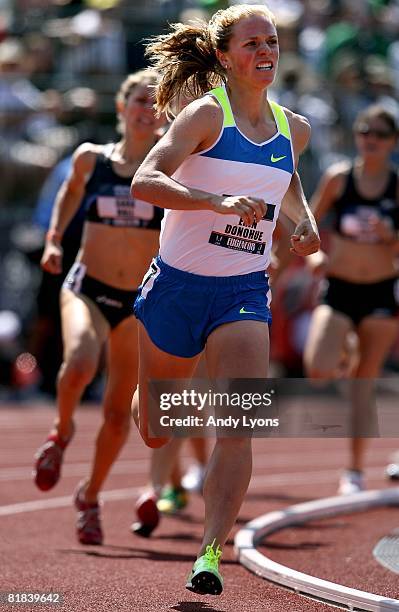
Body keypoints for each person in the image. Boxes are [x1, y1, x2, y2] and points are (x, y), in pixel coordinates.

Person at [130, 4, 320, 595]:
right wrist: (215, 201)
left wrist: (303, 222)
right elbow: (146, 179)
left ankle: (210, 552)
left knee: (238, 425)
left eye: (273, 41)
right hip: (178, 285)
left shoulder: (297, 128)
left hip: (243, 290)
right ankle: (150, 397)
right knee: (158, 430)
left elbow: (285, 178)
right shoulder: (205, 116)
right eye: (251, 43)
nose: (265, 51)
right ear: (224, 56)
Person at [32, 70, 165, 545]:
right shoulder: (92, 159)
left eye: (156, 103)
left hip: (137, 301)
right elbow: (69, 194)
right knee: (78, 364)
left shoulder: (169, 169)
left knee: (115, 413)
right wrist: (53, 240)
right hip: (88, 285)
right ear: (122, 107)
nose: (147, 110)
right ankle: (60, 433)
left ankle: (89, 498)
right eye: (139, 101)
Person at [304, 104, 399, 494]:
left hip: (380, 291)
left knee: (364, 384)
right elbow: (305, 223)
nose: (370, 139)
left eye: (379, 133)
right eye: (364, 131)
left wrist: (390, 233)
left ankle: (355, 471)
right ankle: (343, 348)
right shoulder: (338, 179)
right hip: (340, 287)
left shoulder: (397, 184)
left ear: (392, 142)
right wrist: (313, 257)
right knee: (318, 369)